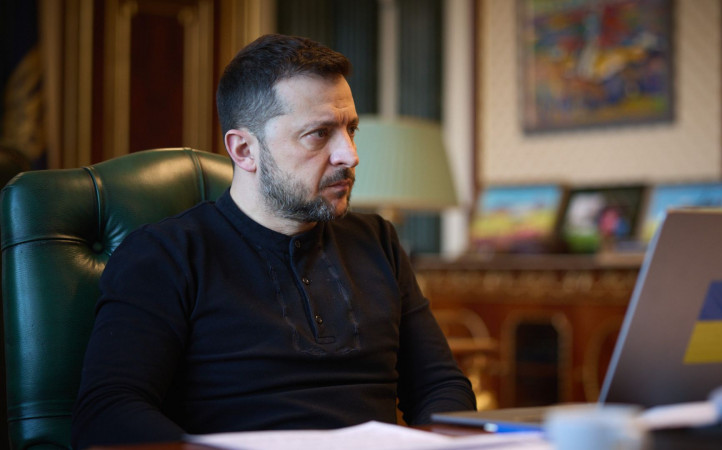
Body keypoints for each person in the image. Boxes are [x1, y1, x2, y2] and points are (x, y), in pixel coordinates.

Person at [71, 34, 476, 448]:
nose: (350, 155)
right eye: (320, 134)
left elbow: (440, 387)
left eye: (350, 129)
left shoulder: (378, 241)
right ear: (244, 150)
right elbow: (109, 413)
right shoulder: (166, 255)